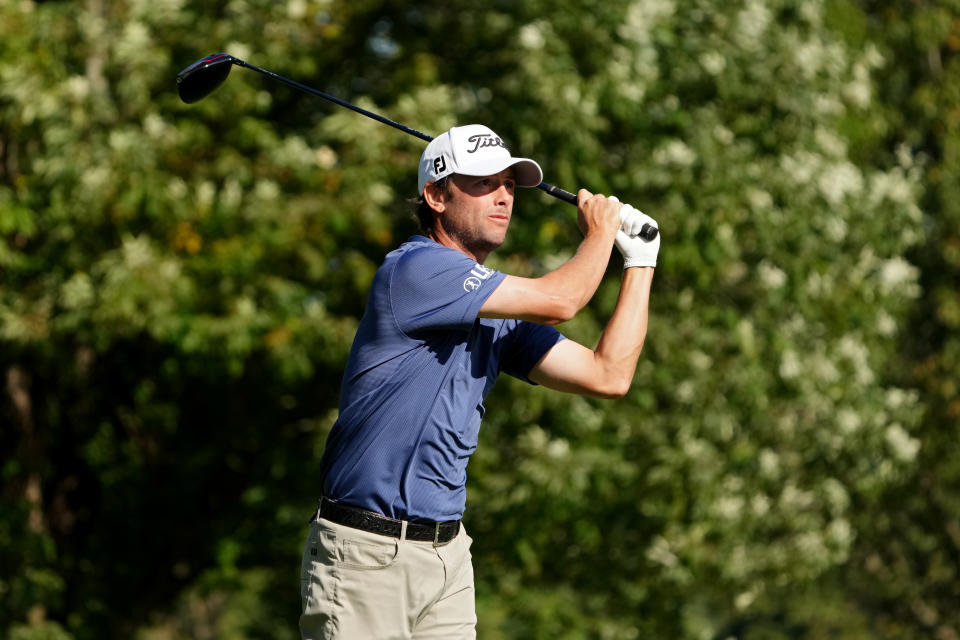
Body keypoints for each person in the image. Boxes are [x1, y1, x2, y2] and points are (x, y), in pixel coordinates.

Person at [299, 124, 659, 639]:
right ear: (436, 196)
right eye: (483, 183)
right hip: (366, 556)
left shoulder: (497, 312)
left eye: (509, 185)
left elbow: (609, 374)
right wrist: (601, 232)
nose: (503, 196)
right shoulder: (415, 270)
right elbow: (561, 302)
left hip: (448, 558)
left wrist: (641, 260)